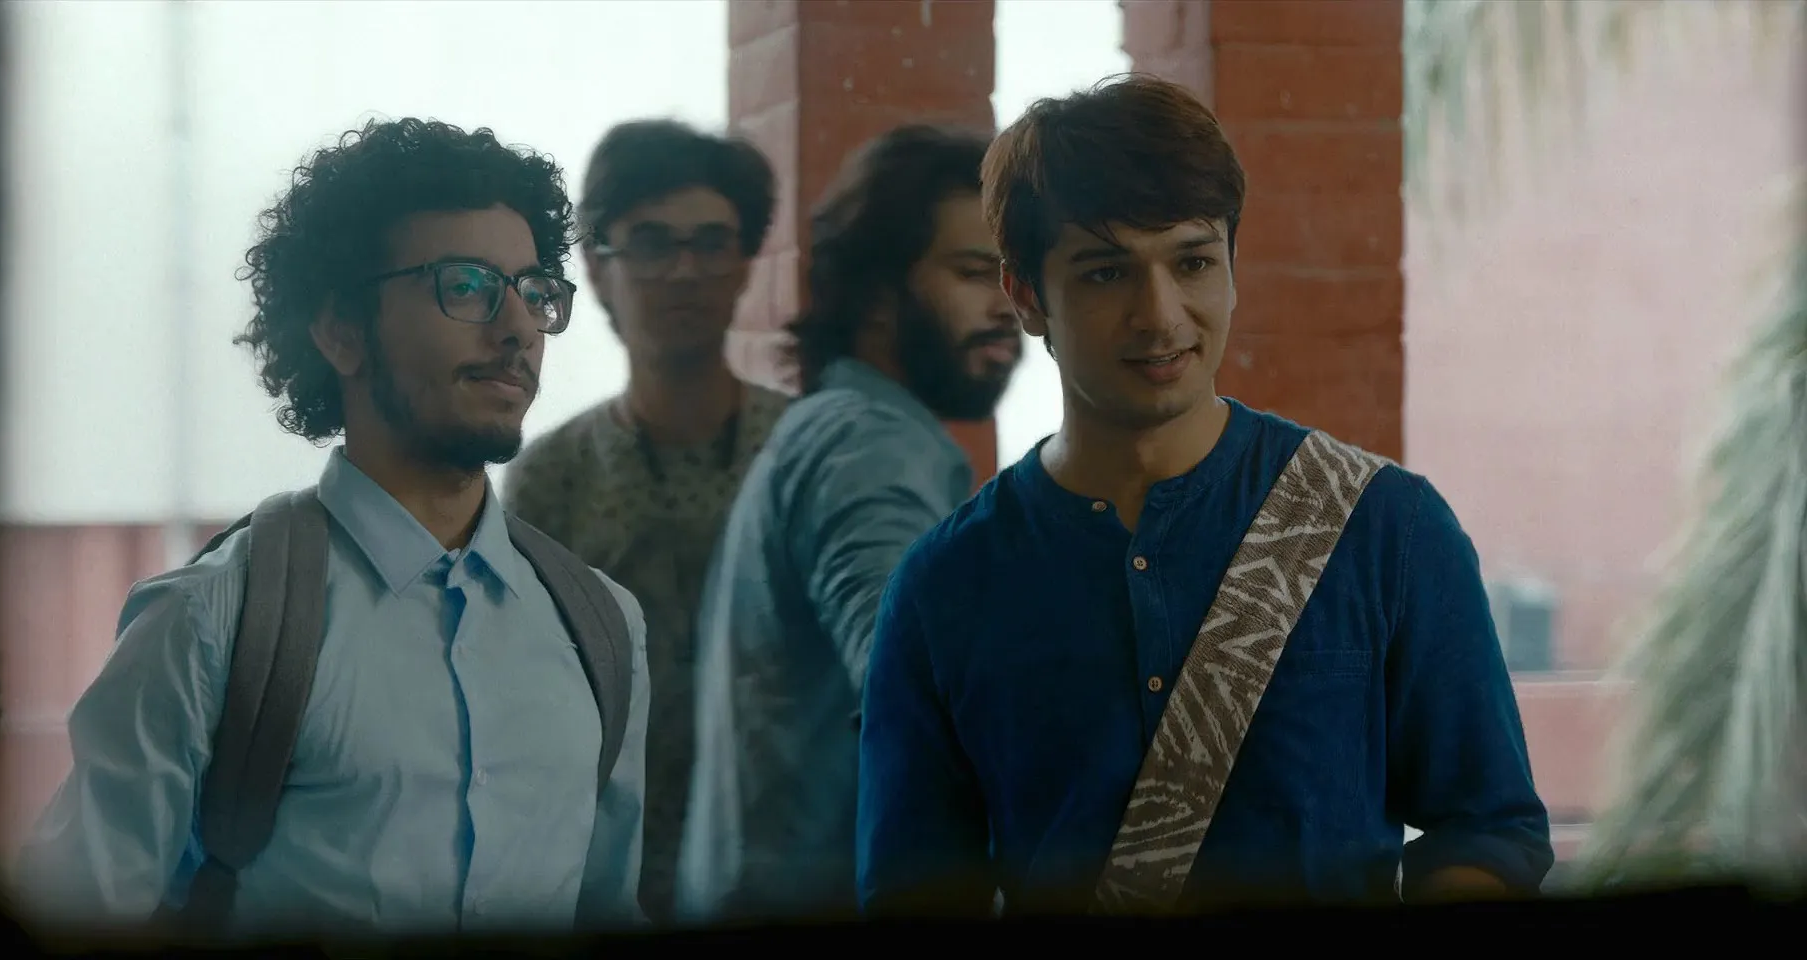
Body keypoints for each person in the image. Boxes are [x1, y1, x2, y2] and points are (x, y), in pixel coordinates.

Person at [856, 75, 1554, 918]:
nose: (1161, 316)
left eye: (1191, 262)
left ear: (1232, 267)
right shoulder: (944, 588)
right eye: (1106, 272)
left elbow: (1486, 828)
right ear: (1027, 296)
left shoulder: (1385, 527)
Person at [12, 119, 649, 940]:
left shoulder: (602, 627)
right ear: (341, 330)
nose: (517, 328)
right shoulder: (212, 622)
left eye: (532, 291)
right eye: (466, 286)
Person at [675, 124, 1023, 924]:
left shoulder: (842, 430)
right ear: (875, 296)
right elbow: (926, 699)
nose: (1007, 306)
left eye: (1015, 276)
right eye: (974, 273)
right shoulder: (868, 446)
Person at [502, 119, 784, 923]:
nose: (686, 270)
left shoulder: (803, 453)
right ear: (598, 267)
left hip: (793, 863)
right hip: (611, 876)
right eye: (653, 243)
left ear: (745, 262)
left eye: (712, 242)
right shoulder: (552, 476)